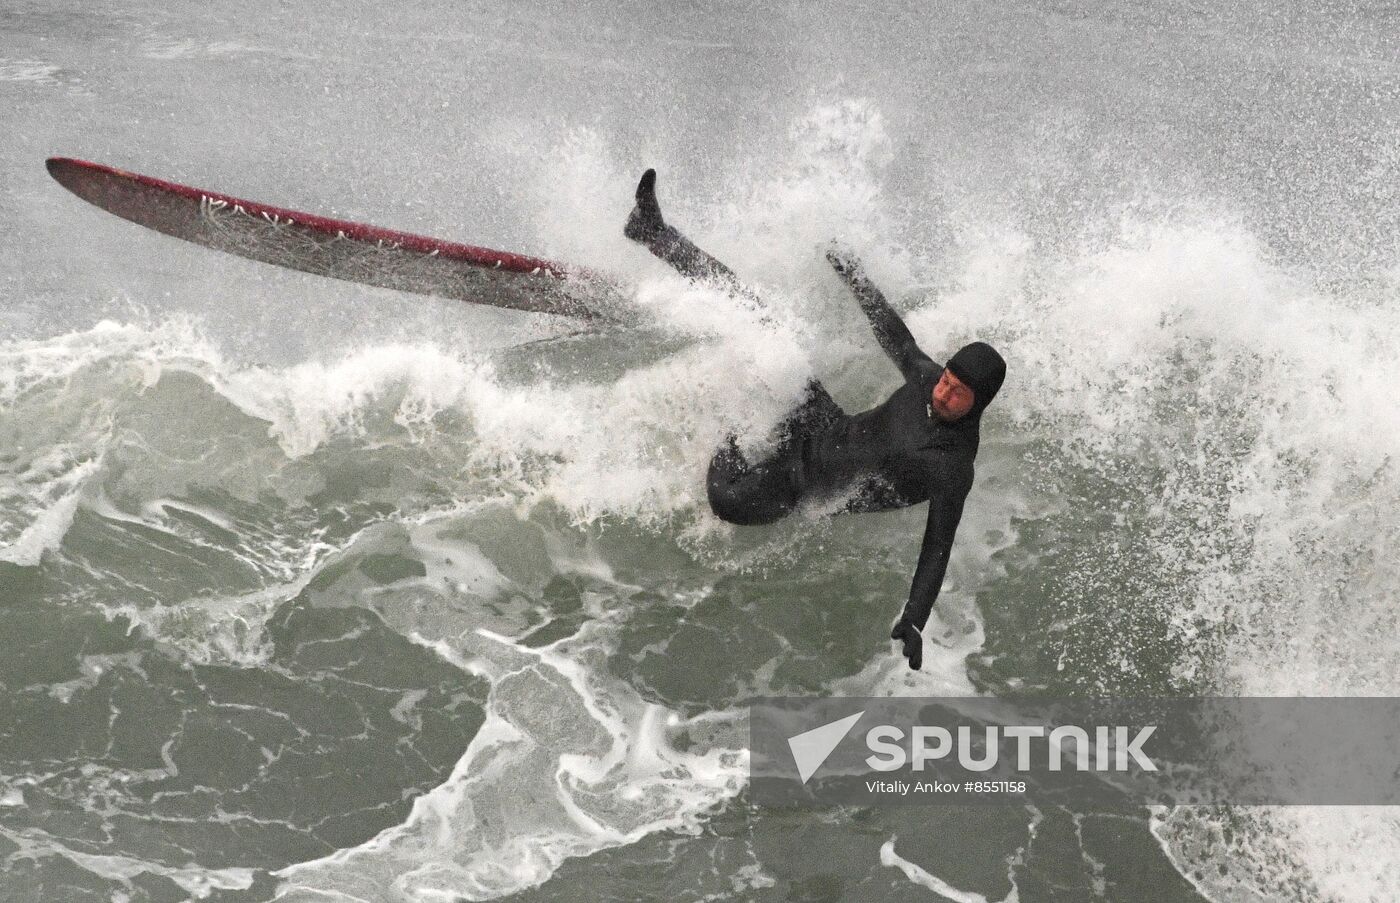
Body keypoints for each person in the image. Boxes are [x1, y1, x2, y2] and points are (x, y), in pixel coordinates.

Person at [624, 169, 1006, 670]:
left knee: (727, 500)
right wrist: (856, 278)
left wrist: (914, 617)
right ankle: (653, 232)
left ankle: (728, 430)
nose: (945, 390)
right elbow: (896, 336)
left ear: (978, 405)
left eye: (958, 392)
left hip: (805, 484)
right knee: (760, 322)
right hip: (823, 425)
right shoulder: (928, 379)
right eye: (947, 378)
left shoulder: (951, 467)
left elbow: (937, 547)